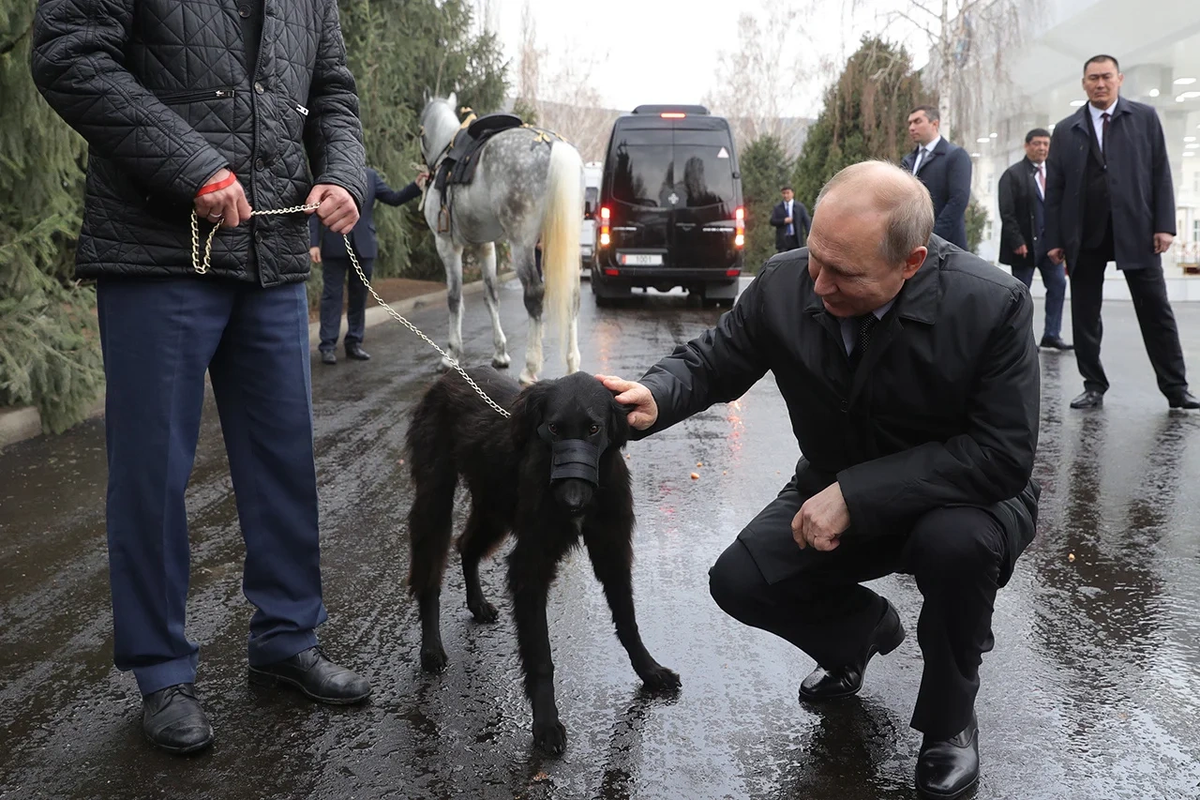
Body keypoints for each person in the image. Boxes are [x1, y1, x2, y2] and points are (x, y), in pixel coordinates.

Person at [599, 161, 1040, 800]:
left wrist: (857, 497)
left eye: (845, 273)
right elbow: (717, 360)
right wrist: (656, 394)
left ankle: (949, 723)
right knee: (741, 579)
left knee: (955, 548)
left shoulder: (990, 304)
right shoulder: (787, 281)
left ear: (911, 262)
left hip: (966, 497)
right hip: (833, 483)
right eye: (816, 257)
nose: (820, 283)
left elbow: (1002, 453)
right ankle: (859, 633)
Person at [31, 0, 372, 754]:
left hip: (273, 255)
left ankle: (287, 638)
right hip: (158, 251)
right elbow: (68, 54)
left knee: (284, 461)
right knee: (152, 473)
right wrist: (194, 168)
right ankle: (161, 671)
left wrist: (345, 174)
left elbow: (333, 93)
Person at [1044, 54, 1199, 410]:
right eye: (1093, 78)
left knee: (1156, 311)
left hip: (1138, 230)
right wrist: (1054, 239)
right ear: (1083, 83)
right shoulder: (1067, 129)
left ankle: (1176, 388)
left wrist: (1164, 225)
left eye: (1106, 77)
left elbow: (1161, 172)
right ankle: (1093, 385)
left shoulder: (1144, 118)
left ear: (1120, 79)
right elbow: (1056, 188)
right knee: (1084, 314)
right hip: (1084, 234)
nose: (1100, 84)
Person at [310, 167, 428, 364]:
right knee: (332, 296)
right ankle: (327, 346)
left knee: (359, 295)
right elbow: (314, 212)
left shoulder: (371, 176)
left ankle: (354, 342)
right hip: (334, 243)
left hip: (364, 246)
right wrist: (313, 243)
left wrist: (416, 186)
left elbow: (394, 198)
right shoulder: (328, 174)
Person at [998, 128, 1072, 350]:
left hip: (1051, 247)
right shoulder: (1012, 175)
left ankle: (1052, 334)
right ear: (1026, 146)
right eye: (1037, 143)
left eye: (1046, 144)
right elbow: (1007, 213)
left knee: (1058, 285)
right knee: (1021, 294)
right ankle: (1022, 338)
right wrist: (1016, 240)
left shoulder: (1055, 175)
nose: (1042, 148)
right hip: (1025, 247)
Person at [902, 105, 972, 250]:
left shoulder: (955, 156)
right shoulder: (908, 161)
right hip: (913, 244)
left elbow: (958, 200)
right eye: (909, 123)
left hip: (945, 246)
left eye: (917, 121)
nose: (911, 127)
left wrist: (932, 237)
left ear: (935, 124)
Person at [770, 186, 811, 253]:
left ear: (792, 193)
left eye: (788, 193)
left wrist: (809, 235)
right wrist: (783, 221)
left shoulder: (800, 207)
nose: (786, 195)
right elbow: (772, 221)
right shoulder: (778, 208)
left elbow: (807, 222)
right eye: (784, 193)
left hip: (796, 239)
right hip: (783, 240)